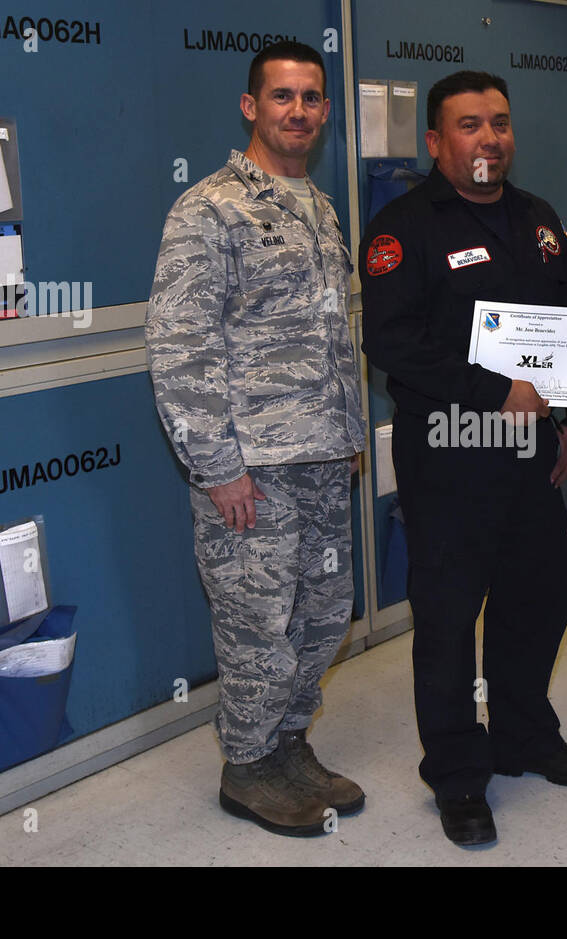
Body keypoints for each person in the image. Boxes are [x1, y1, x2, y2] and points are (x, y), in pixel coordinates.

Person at [359, 71, 567, 846]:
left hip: (531, 454)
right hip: (451, 455)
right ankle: (459, 772)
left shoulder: (539, 219)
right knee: (448, 618)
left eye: (499, 122)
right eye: (469, 125)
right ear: (437, 142)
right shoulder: (404, 226)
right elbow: (392, 340)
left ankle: (525, 733)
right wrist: (493, 390)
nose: (488, 138)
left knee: (542, 593)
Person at [145, 41, 366, 837]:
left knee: (320, 611)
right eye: (282, 96)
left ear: (325, 111)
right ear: (251, 106)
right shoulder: (207, 209)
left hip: (319, 455)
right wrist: (218, 466)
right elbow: (179, 348)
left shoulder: (321, 206)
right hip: (252, 471)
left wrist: (348, 432)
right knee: (255, 621)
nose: (298, 111)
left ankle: (286, 742)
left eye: (311, 97)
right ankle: (246, 765)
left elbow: (334, 333)